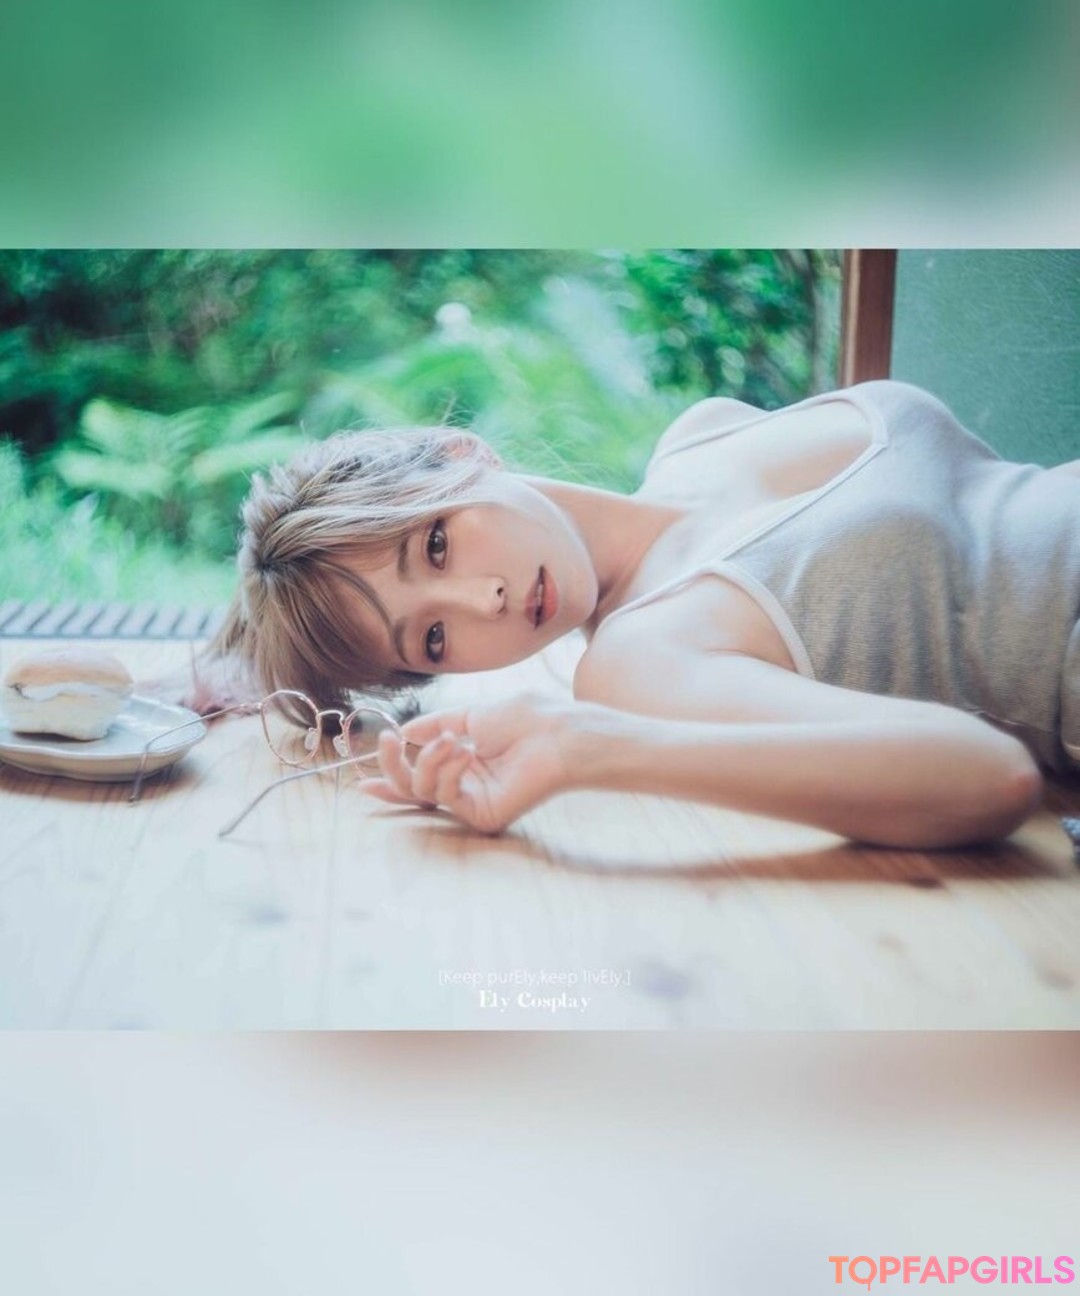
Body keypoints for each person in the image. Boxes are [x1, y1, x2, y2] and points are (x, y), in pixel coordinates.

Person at [201, 380, 1080, 849]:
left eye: (435, 546)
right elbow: (989, 776)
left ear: (461, 454)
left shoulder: (704, 431)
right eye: (433, 639)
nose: (484, 602)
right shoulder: (637, 665)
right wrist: (585, 747)